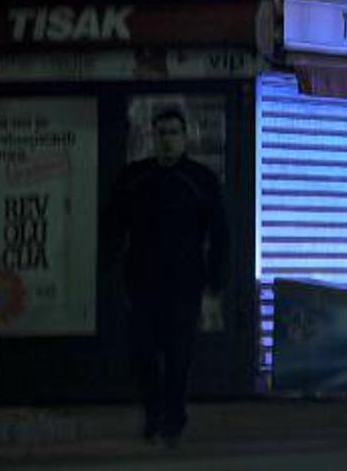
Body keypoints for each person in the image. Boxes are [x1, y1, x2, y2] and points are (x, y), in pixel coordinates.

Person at [102, 105, 229, 447]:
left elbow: (219, 233)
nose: (168, 140)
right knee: (143, 354)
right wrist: (111, 274)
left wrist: (214, 282)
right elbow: (113, 227)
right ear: (152, 137)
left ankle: (172, 419)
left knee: (178, 357)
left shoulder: (199, 180)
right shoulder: (135, 178)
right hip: (141, 282)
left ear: (184, 137)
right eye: (162, 134)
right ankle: (154, 413)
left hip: (184, 285)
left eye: (174, 133)